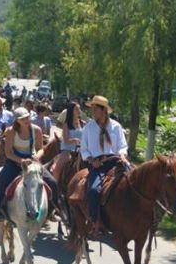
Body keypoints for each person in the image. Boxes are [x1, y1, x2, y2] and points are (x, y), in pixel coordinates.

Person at [0, 107, 59, 221]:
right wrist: (21, 161)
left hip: (32, 162)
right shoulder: (11, 131)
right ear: (17, 120)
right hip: (14, 162)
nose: (26, 120)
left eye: (27, 117)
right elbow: (8, 153)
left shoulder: (36, 130)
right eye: (22, 119)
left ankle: (53, 210)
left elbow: (40, 149)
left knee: (52, 182)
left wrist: (37, 156)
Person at [80, 95, 128, 236]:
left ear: (103, 110)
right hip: (98, 164)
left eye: (95, 109)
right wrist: (91, 160)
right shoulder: (88, 128)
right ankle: (95, 221)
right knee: (94, 190)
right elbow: (84, 149)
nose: (92, 111)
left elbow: (122, 145)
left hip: (115, 161)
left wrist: (122, 155)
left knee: (135, 182)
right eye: (92, 108)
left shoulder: (116, 127)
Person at [51, 101, 83, 181]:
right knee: (56, 169)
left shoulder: (82, 123)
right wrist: (74, 140)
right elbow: (66, 140)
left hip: (80, 150)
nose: (79, 111)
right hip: (68, 150)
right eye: (77, 109)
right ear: (71, 111)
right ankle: (55, 185)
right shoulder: (67, 124)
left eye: (79, 109)